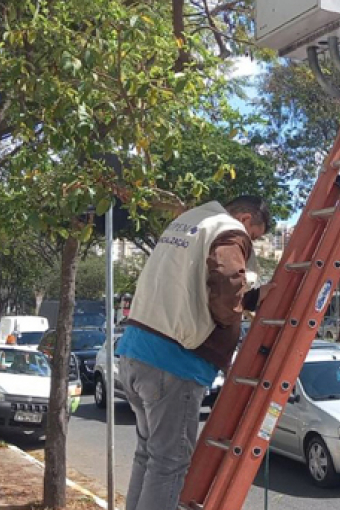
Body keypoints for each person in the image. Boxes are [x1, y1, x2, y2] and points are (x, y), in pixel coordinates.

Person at [116, 196, 272, 510]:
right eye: (253, 237)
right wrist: (242, 307)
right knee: (169, 462)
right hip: (174, 362)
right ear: (244, 219)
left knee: (149, 454)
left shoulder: (188, 221)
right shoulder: (229, 231)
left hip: (135, 350)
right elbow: (228, 287)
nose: (250, 244)